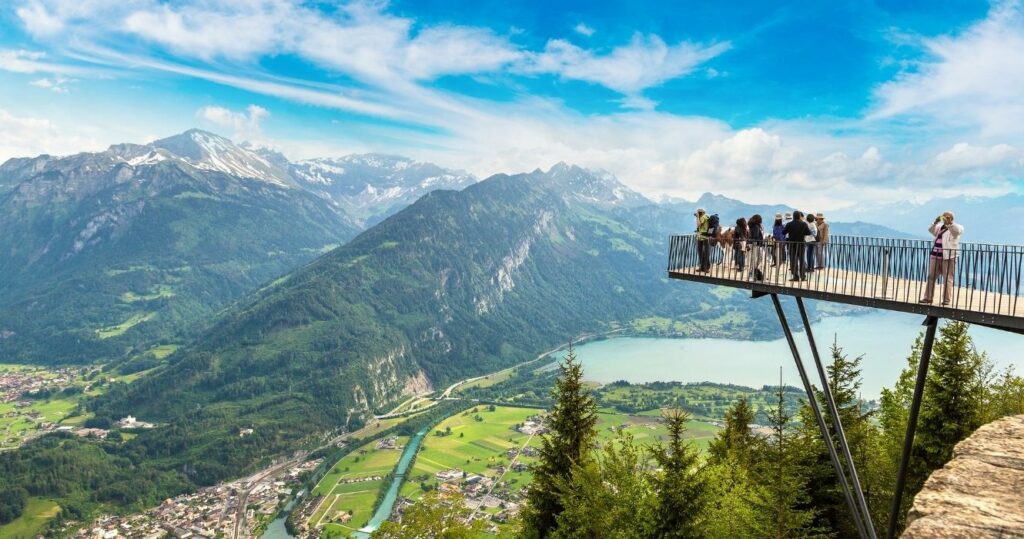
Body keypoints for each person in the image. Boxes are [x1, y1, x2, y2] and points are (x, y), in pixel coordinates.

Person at [920, 211, 964, 305]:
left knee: (947, 278)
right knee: (931, 277)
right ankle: (928, 298)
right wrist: (935, 221)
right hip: (935, 255)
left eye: (947, 217)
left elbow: (957, 232)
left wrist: (950, 224)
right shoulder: (940, 226)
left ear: (951, 218)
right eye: (944, 217)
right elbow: (931, 230)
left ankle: (946, 300)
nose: (945, 219)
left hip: (948, 257)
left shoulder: (957, 227)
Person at [784, 211, 811, 281]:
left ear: (793, 216)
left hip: (792, 244)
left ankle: (795, 276)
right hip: (801, 244)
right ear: (799, 216)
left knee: (793, 260)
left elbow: (783, 232)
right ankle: (803, 276)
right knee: (801, 260)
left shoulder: (789, 224)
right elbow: (808, 232)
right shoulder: (804, 224)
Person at [748, 214, 765, 281]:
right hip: (756, 245)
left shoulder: (752, 226)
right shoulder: (756, 227)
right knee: (759, 258)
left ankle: (753, 271)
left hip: (753, 244)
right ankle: (754, 270)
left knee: (753, 259)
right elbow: (756, 236)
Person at [696, 208, 711, 272]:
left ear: (700, 212)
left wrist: (697, 217)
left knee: (701, 252)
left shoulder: (703, 217)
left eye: (698, 212)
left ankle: (704, 267)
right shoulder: (707, 217)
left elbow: (699, 224)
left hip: (702, 237)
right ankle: (704, 267)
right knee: (705, 252)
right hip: (705, 237)